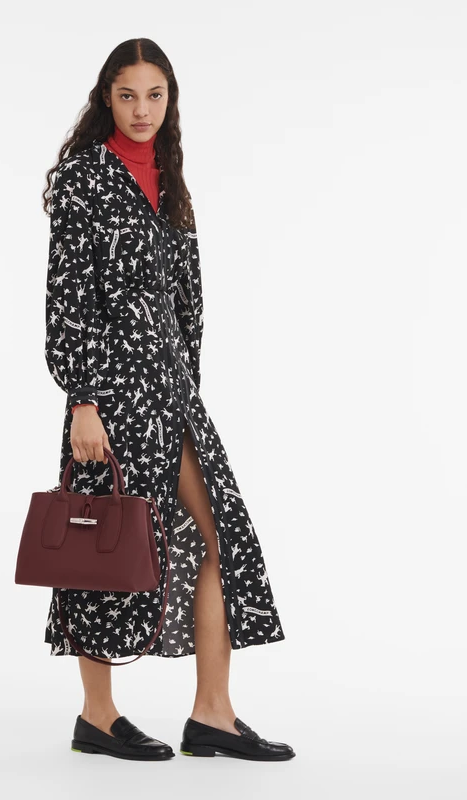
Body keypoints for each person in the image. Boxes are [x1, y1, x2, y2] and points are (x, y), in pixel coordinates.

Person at [41, 38, 294, 762]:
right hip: (110, 394)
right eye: (127, 95)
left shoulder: (171, 180)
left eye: (155, 95)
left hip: (174, 393)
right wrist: (82, 399)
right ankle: (97, 716)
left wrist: (189, 386)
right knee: (101, 540)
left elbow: (188, 303)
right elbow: (68, 295)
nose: (142, 109)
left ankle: (213, 713)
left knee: (222, 536)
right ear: (107, 99)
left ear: (170, 101)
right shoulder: (85, 179)